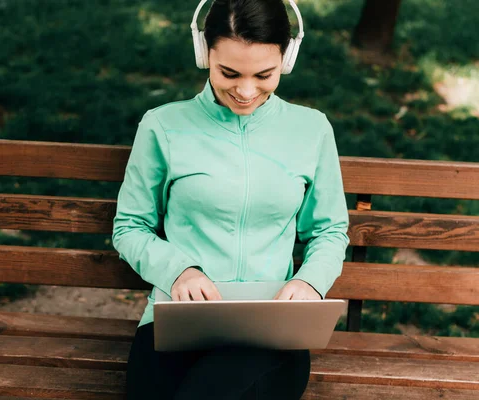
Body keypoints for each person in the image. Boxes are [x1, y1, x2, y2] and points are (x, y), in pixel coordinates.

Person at [112, 0, 350, 398]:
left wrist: (310, 282)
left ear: (287, 59)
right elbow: (129, 227)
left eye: (264, 75)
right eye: (229, 73)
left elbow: (329, 229)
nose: (245, 91)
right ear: (204, 53)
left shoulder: (312, 130)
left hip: (271, 331)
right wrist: (178, 272)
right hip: (176, 322)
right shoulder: (162, 126)